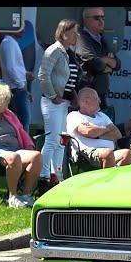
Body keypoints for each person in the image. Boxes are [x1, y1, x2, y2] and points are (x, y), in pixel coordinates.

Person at [37, 19, 81, 192]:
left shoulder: (68, 52)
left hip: (64, 102)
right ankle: (44, 178)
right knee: (52, 140)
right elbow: (43, 75)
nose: (77, 35)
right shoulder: (54, 50)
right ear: (64, 33)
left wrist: (74, 96)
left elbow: (69, 80)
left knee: (62, 141)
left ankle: (57, 176)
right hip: (52, 102)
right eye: (74, 32)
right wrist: (52, 95)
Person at [65, 88, 131, 169]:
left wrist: (97, 134)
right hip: (87, 152)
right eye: (96, 99)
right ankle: (107, 181)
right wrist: (107, 129)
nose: (100, 101)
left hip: (109, 151)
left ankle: (114, 179)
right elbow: (89, 132)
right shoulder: (74, 116)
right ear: (86, 101)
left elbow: (117, 134)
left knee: (127, 154)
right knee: (107, 154)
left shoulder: (102, 116)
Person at [75, 7, 121, 122]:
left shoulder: (101, 39)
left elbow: (117, 64)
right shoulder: (81, 38)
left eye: (102, 18)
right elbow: (96, 64)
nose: (101, 21)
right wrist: (106, 62)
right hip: (87, 94)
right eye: (96, 18)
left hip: (100, 94)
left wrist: (104, 61)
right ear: (86, 20)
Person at [0, 29, 35, 132]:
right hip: (16, 89)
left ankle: (21, 145)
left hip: (17, 88)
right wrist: (20, 85)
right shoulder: (8, 42)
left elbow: (14, 67)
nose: (23, 29)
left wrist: (24, 74)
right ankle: (23, 146)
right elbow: (11, 67)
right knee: (23, 122)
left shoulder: (11, 42)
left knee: (21, 122)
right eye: (20, 26)